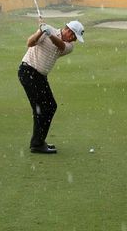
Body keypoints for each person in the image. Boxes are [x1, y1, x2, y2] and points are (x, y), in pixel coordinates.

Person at [18, 19, 85, 154]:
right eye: (73, 35)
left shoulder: (69, 46)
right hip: (28, 71)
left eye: (75, 38)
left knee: (50, 107)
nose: (73, 40)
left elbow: (60, 45)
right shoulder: (47, 31)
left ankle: (39, 141)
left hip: (40, 76)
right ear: (67, 30)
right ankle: (37, 144)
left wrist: (49, 34)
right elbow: (29, 43)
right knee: (41, 109)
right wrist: (41, 32)